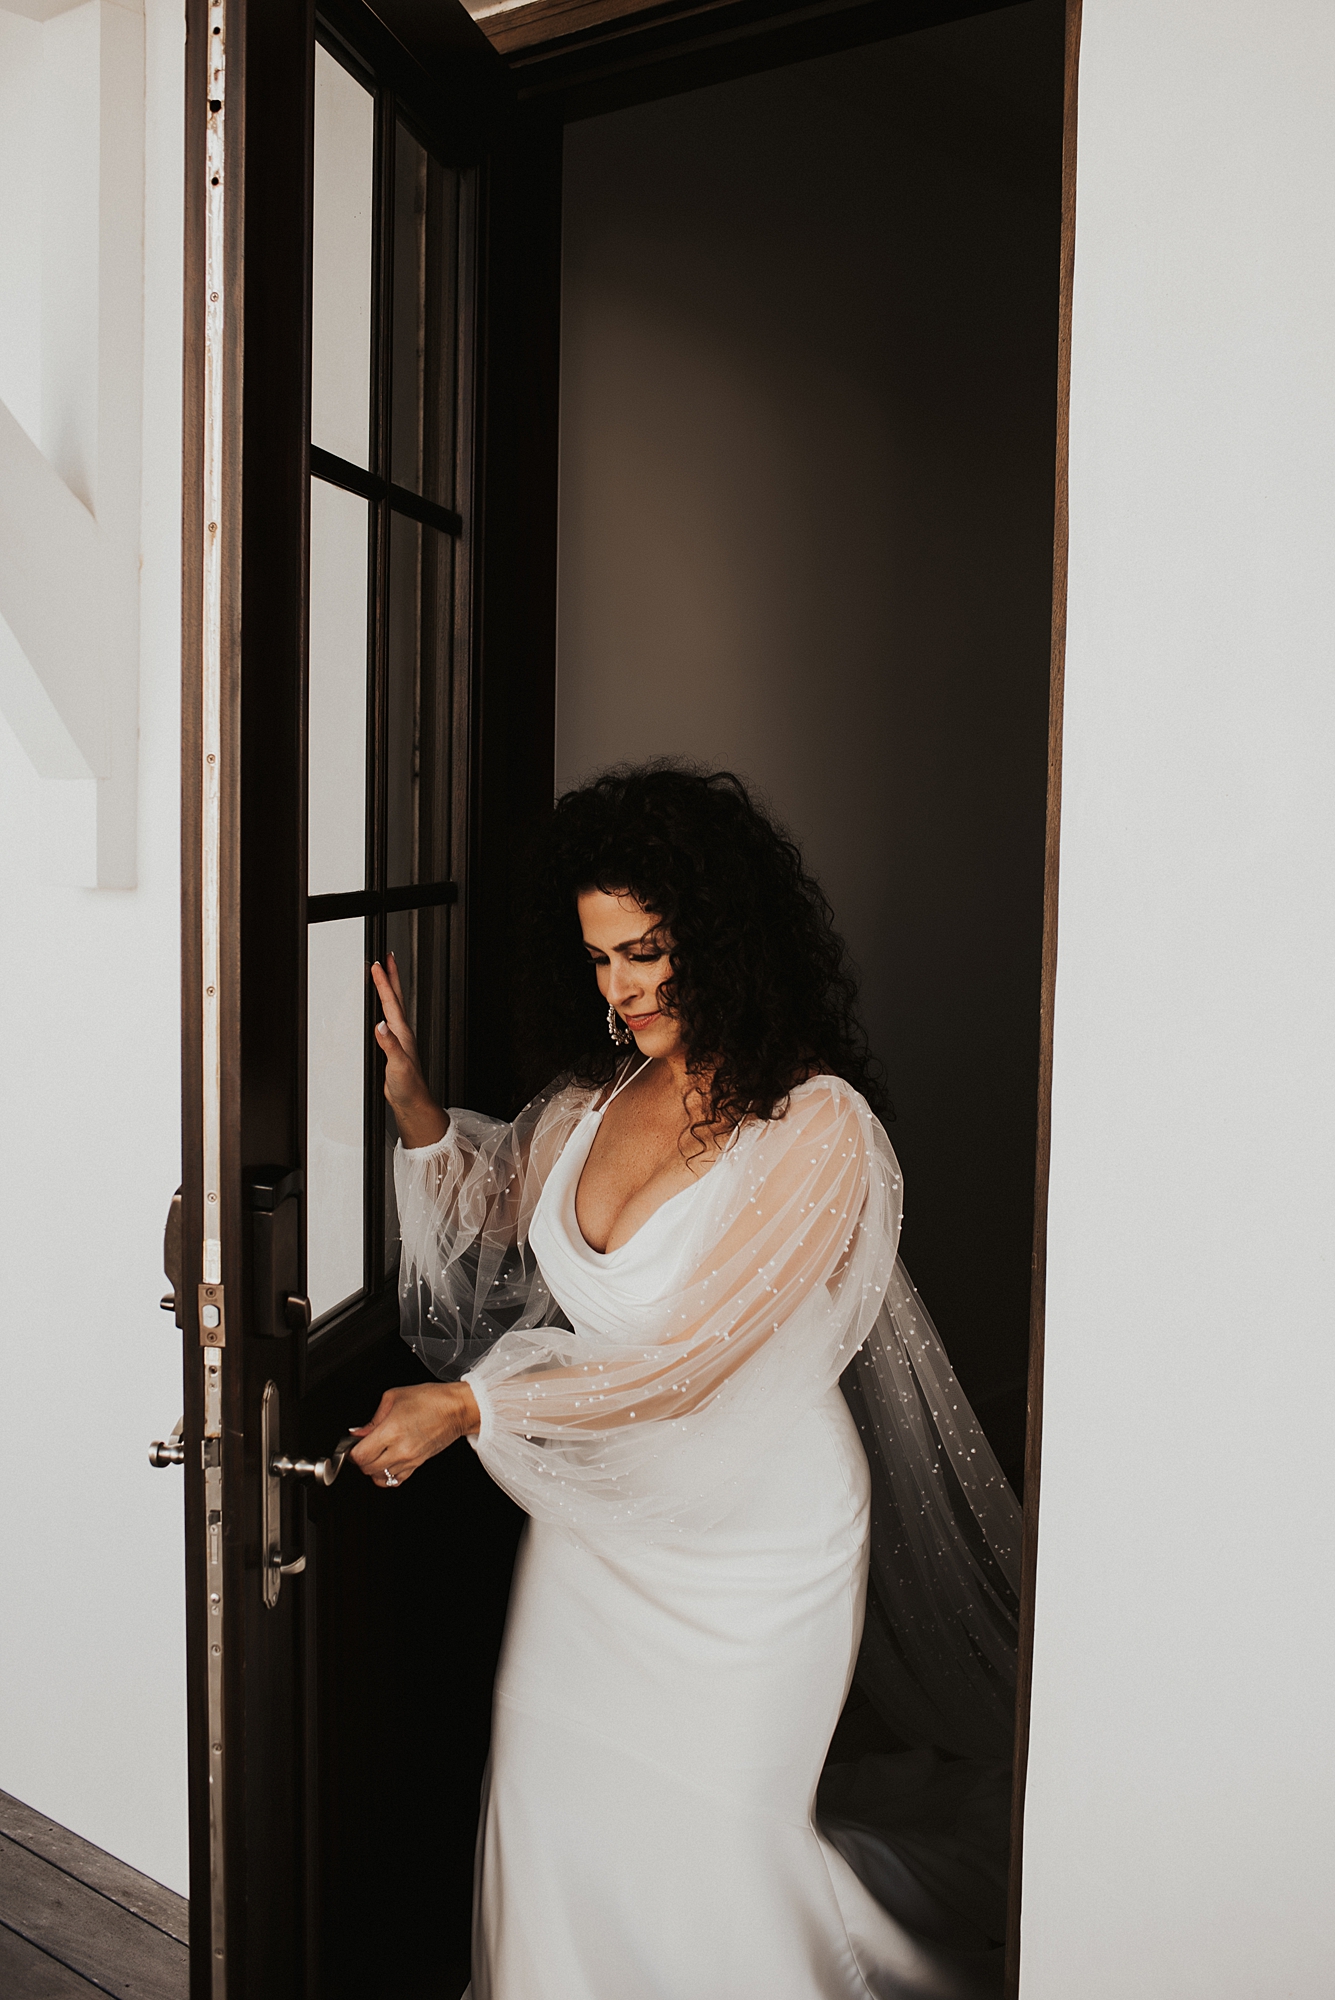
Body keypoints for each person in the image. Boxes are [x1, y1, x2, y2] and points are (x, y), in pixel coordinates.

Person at [349, 764, 1020, 2000]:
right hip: (605, 1520)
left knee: (713, 1833)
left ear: (721, 934)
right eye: (602, 957)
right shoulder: (586, 1103)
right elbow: (495, 1217)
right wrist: (417, 1108)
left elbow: (691, 1363)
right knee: (553, 1789)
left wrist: (474, 1405)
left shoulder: (818, 1129)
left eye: (651, 949)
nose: (626, 985)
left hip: (758, 1540)